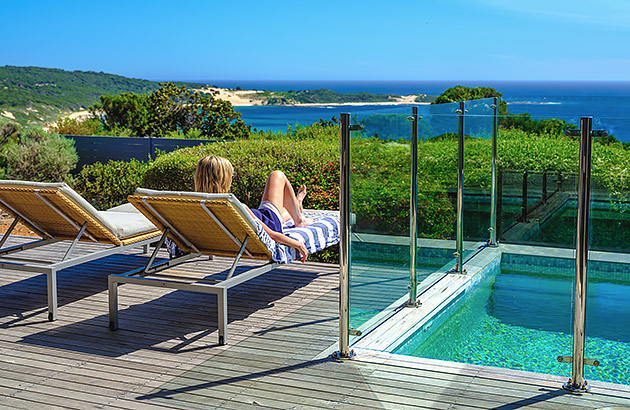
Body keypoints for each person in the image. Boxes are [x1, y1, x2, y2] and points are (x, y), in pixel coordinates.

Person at [194, 155, 313, 262]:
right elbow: (272, 235)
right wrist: (298, 244)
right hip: (269, 221)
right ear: (224, 180)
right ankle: (299, 219)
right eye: (231, 176)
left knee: (283, 211)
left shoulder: (196, 205)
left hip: (258, 216)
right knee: (277, 175)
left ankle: (297, 203)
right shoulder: (235, 207)